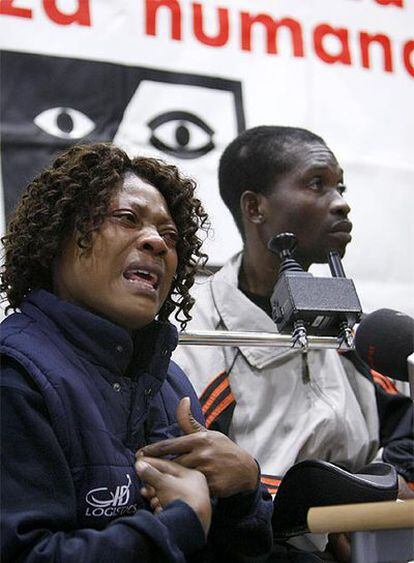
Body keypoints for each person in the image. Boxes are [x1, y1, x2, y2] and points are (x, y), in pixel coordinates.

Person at [0, 142, 273, 562]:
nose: (157, 244)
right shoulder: (14, 374)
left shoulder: (169, 381)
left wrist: (241, 490)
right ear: (59, 236)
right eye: (127, 218)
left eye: (169, 236)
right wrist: (179, 524)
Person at [172, 126, 414, 558]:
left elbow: (402, 424)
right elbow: (201, 468)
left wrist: (384, 488)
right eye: (317, 183)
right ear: (255, 207)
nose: (341, 201)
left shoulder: (352, 322)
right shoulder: (198, 327)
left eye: (340, 185)